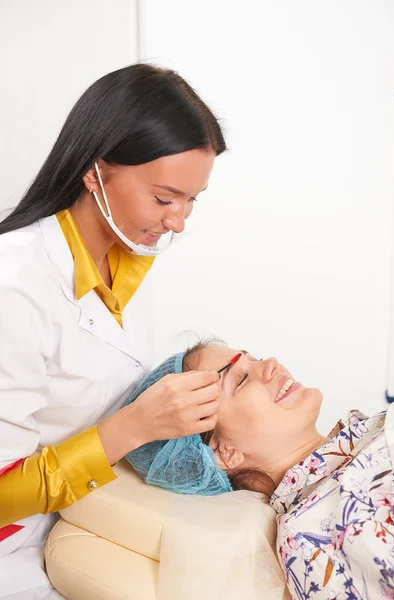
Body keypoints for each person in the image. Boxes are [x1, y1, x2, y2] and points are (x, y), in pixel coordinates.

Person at [0, 64, 226, 599]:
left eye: (192, 200)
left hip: (69, 526)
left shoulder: (120, 264)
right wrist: (138, 425)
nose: (179, 222)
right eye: (165, 198)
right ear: (95, 172)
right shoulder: (15, 285)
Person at [125, 341, 394, 600]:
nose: (271, 363)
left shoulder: (366, 433)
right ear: (224, 453)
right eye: (241, 380)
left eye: (254, 359)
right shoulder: (311, 537)